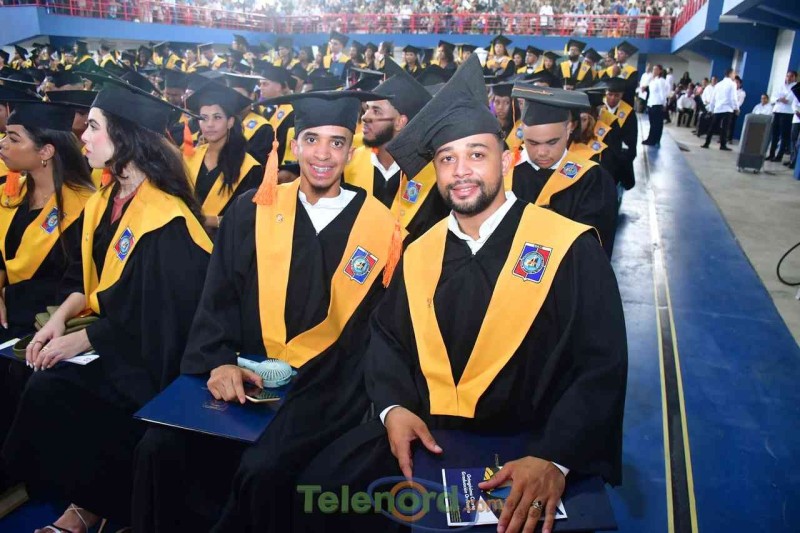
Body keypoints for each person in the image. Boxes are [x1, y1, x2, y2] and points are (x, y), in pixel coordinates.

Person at [293, 55, 627, 533]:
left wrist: (555, 457)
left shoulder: (568, 248)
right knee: (319, 492)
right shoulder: (419, 253)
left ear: (505, 160)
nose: (461, 171)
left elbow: (600, 366)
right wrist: (393, 408)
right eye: (447, 158)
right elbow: (387, 339)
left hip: (531, 446)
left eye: (476, 154)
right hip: (429, 436)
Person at [132, 89, 403, 532]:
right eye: (311, 139)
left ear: (350, 151)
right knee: (159, 447)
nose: (322, 154)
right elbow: (218, 297)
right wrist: (219, 361)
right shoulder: (253, 210)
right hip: (243, 371)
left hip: (323, 387)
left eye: (336, 142)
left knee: (264, 469)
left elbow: (376, 330)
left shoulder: (379, 227)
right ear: (293, 144)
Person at [2, 76, 212, 533]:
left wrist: (83, 339)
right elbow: (86, 281)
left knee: (56, 388)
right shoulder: (107, 199)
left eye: (94, 126)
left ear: (126, 137)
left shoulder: (166, 222)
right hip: (117, 341)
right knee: (44, 381)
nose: (83, 135)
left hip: (157, 361)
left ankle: (97, 506)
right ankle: (87, 504)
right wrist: (59, 321)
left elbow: (158, 320)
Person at [508, 83, 618, 257]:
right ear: (521, 131)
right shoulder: (503, 171)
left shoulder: (592, 179)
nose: (542, 152)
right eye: (532, 143)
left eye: (552, 142)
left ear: (569, 128)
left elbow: (594, 248)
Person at [344, 66, 449, 242]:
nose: (365, 117)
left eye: (376, 111)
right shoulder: (349, 165)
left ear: (400, 122)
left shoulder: (433, 178)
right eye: (367, 108)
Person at [184, 82, 263, 233]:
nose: (209, 124)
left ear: (230, 122)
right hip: (187, 239)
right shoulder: (190, 158)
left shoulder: (249, 168)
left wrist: (209, 220)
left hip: (225, 242)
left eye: (217, 117)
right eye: (203, 118)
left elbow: (250, 217)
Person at [702, 68, 738, 151]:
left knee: (712, 127)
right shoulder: (732, 84)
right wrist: (736, 108)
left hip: (718, 109)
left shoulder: (718, 84)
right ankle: (723, 145)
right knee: (725, 128)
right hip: (727, 109)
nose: (735, 75)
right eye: (734, 73)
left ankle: (706, 143)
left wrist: (711, 109)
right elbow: (733, 97)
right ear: (730, 74)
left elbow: (713, 98)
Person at [766, 70, 797, 163]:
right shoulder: (781, 86)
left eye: (791, 76)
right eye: (787, 76)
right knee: (774, 134)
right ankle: (771, 154)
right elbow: (773, 98)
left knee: (784, 136)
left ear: (795, 77)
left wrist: (783, 99)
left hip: (787, 113)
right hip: (777, 111)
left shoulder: (796, 87)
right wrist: (779, 99)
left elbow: (791, 100)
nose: (789, 78)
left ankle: (779, 156)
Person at [643, 65, 669, 146]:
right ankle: (651, 138)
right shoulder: (653, 80)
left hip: (658, 104)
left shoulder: (661, 81)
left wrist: (664, 104)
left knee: (656, 124)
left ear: (660, 71)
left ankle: (654, 140)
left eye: (656, 69)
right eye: (653, 69)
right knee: (652, 123)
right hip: (651, 103)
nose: (654, 71)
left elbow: (662, 93)